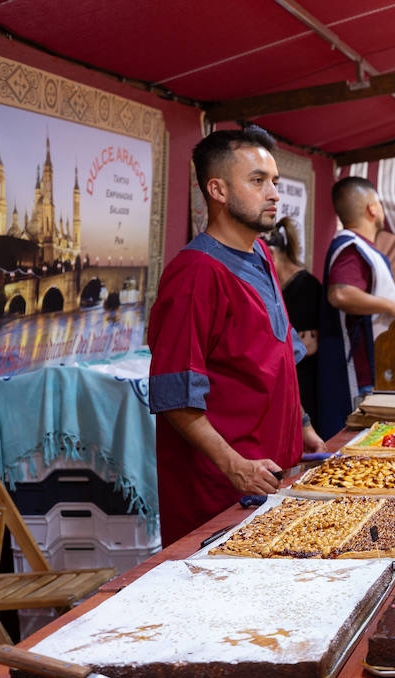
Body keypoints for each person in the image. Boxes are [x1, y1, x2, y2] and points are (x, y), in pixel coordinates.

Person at [147, 126, 322, 547]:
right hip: (219, 492)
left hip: (273, 479)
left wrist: (304, 426)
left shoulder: (260, 253)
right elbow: (175, 396)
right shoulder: (195, 274)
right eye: (258, 180)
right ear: (218, 190)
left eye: (275, 181)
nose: (274, 193)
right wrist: (234, 465)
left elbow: (278, 357)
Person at [316, 176, 395, 438]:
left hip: (373, 367)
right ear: (372, 208)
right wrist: (391, 306)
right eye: (380, 204)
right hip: (359, 374)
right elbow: (341, 295)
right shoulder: (351, 246)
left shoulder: (361, 248)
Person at [266, 216, 321, 422]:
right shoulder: (278, 286)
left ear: (271, 253)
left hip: (302, 382)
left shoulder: (305, 286)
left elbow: (309, 344)